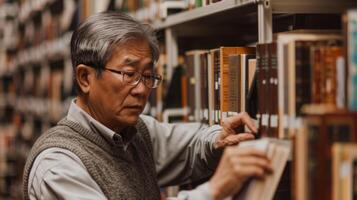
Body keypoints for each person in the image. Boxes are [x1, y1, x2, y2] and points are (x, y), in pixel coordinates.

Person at [22, 11, 272, 200]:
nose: (142, 89)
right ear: (85, 78)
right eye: (129, 74)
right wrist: (214, 190)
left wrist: (219, 139)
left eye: (148, 76)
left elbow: (191, 145)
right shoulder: (57, 167)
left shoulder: (135, 133)